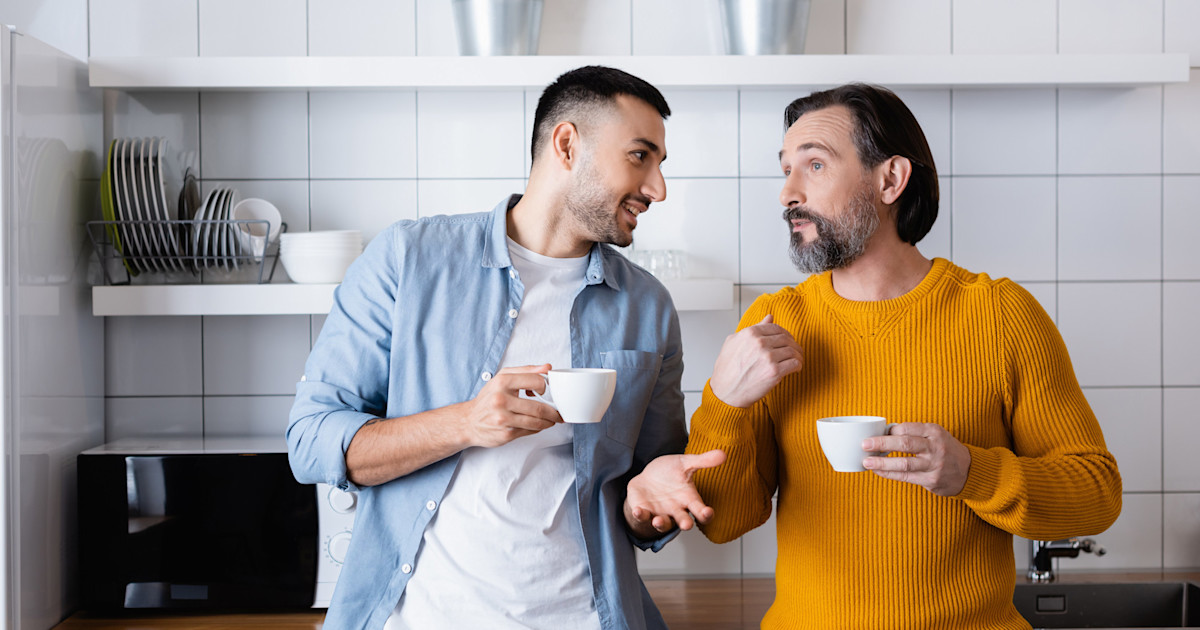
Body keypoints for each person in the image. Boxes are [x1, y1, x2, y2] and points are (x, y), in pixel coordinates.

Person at [624, 83, 1123, 629]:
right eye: (785, 168)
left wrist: (971, 473)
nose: (788, 192)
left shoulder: (1001, 315)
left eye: (814, 165)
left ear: (890, 179)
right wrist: (726, 401)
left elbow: (1095, 493)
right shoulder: (775, 323)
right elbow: (722, 518)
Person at [288, 65, 687, 630]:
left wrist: (650, 507)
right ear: (568, 145)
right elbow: (310, 441)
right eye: (640, 156)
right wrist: (466, 423)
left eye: (660, 165)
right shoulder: (408, 260)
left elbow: (646, 494)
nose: (657, 189)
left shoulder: (648, 307)